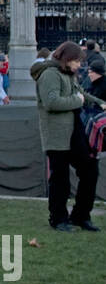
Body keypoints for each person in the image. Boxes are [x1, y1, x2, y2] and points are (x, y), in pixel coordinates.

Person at [33, 41, 98, 232]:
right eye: (77, 61)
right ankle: (58, 218)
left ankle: (80, 216)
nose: (79, 65)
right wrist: (76, 101)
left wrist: (100, 103)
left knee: (90, 170)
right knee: (60, 178)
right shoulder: (50, 75)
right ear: (67, 59)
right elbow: (51, 102)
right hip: (57, 134)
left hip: (74, 132)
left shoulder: (68, 74)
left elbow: (82, 94)